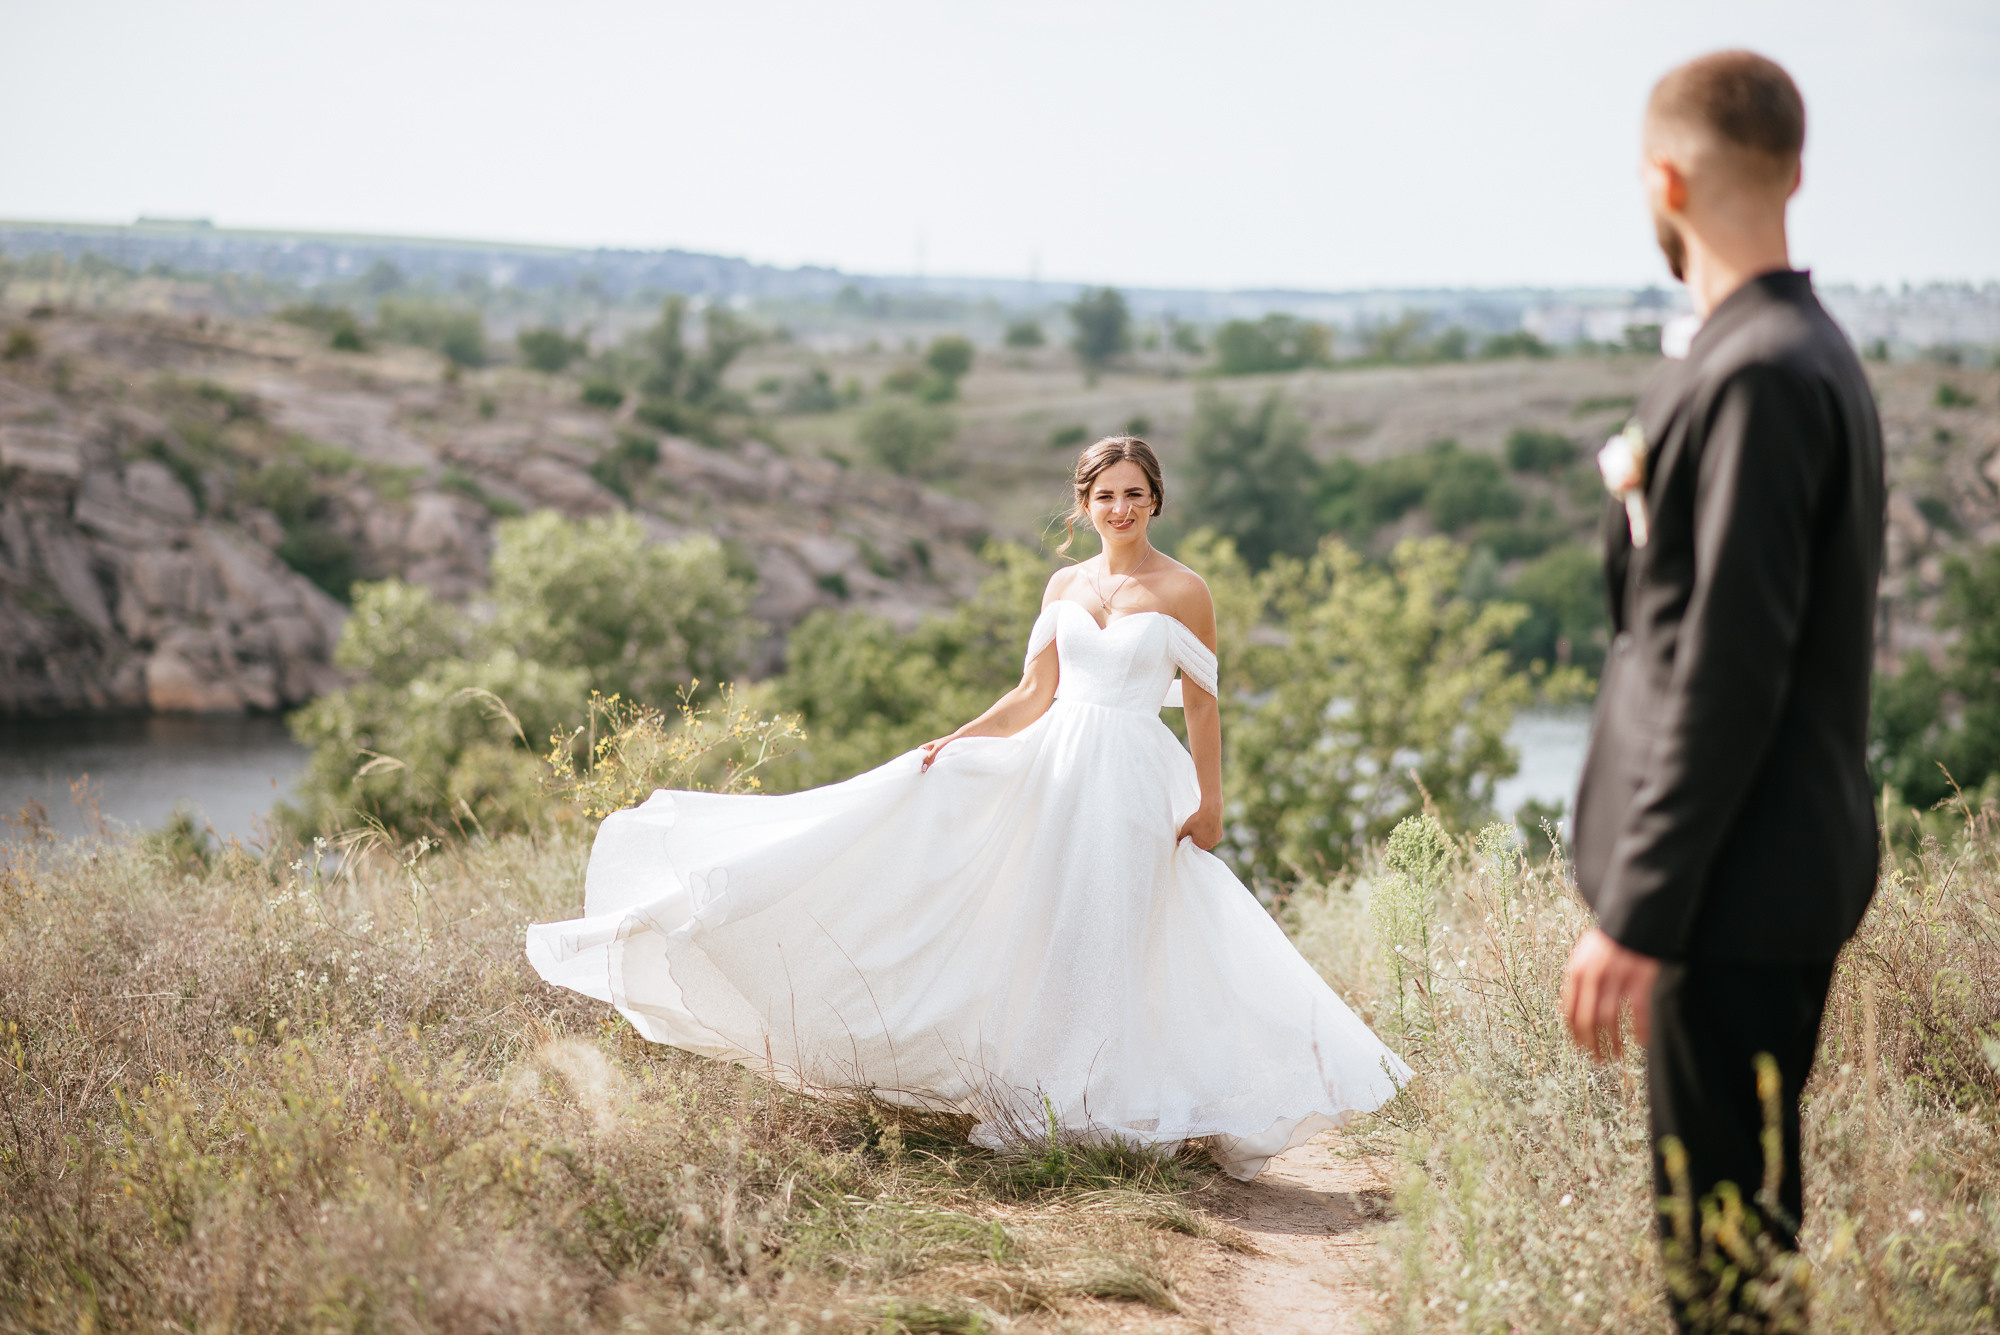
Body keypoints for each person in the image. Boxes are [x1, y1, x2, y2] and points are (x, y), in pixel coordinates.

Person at [527, 436, 1408, 1179]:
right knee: (1044, 923)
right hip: (1055, 770)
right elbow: (1033, 691)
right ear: (1083, 502)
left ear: (1157, 501)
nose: (1121, 508)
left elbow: (1207, 706)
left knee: (1121, 927)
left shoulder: (1185, 590)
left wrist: (1211, 802)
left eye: (1136, 494)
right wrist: (954, 741)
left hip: (1135, 774)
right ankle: (1049, 1098)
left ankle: (1131, 1098)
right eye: (1106, 495)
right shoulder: (1064, 588)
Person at [1559, 50, 1885, 1327]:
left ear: (1662, 177)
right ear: (1793, 169)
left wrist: (1637, 908)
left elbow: (1725, 669)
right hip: (1748, 875)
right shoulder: (1800, 351)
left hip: (1729, 889)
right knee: (1733, 1241)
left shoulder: (1753, 371)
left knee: (1720, 1264)